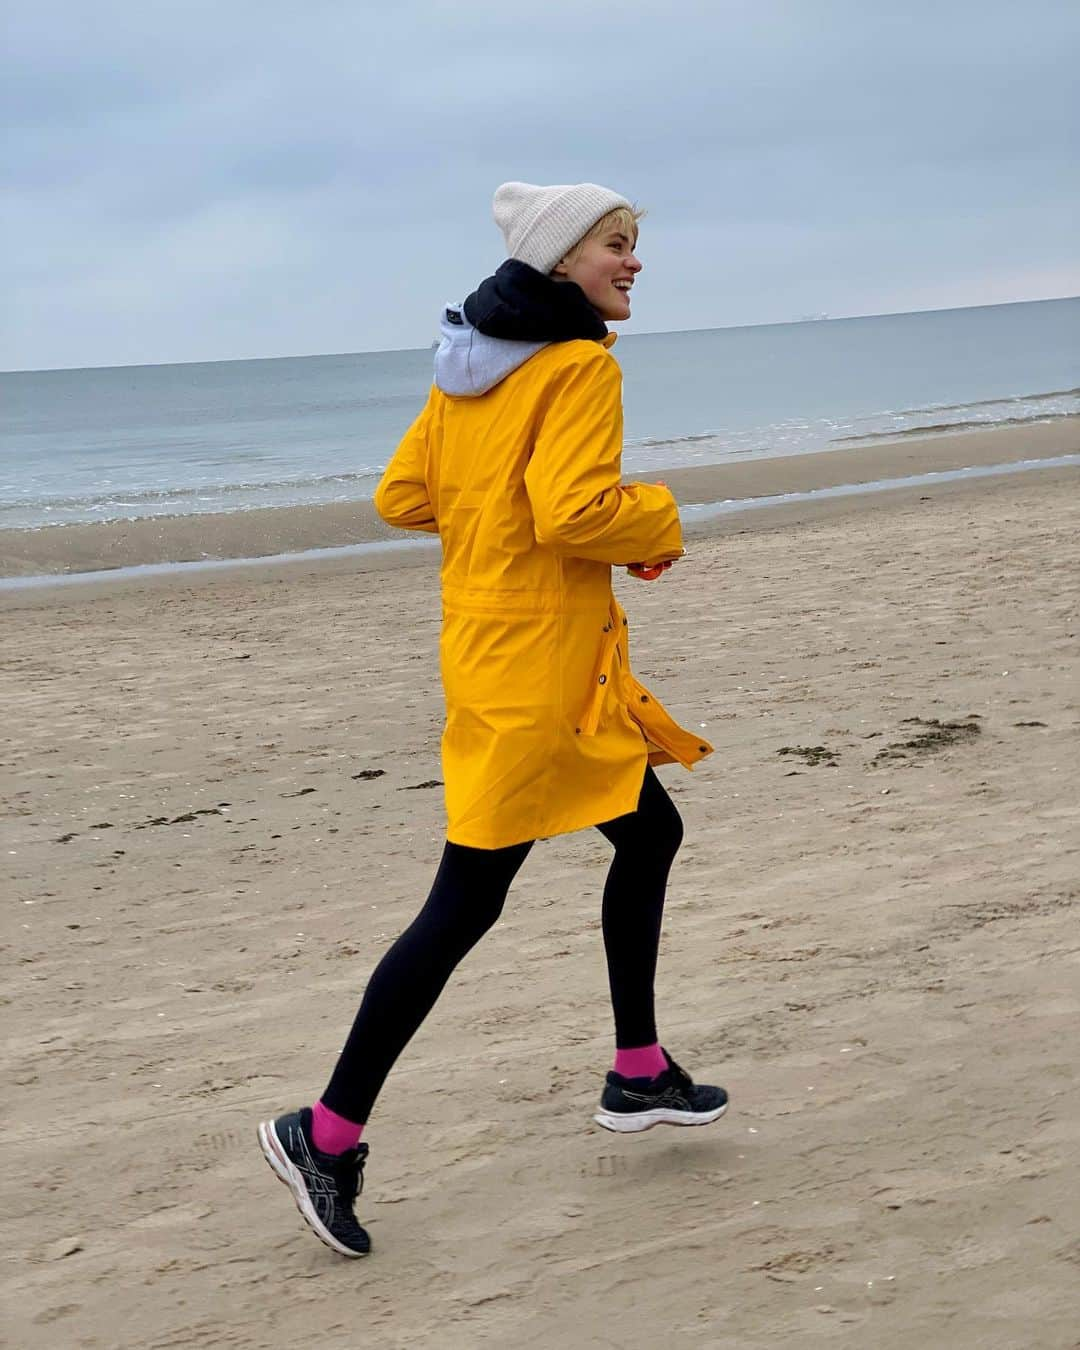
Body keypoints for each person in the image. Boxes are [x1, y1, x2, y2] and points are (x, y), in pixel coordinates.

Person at [259, 181, 727, 1259]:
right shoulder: (575, 367)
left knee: (649, 832)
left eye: (633, 245)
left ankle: (640, 1070)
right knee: (465, 903)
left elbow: (403, 496)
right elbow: (576, 512)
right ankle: (324, 1133)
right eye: (618, 245)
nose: (634, 262)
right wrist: (660, 520)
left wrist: (492, 522)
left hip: (495, 656)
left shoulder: (471, 366)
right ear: (563, 258)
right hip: (537, 680)